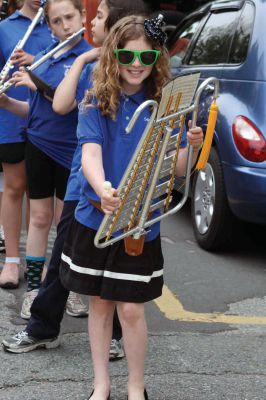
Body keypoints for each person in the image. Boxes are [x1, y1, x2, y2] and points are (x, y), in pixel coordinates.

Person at [59, 14, 204, 400]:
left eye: (145, 56)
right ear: (113, 55)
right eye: (126, 55)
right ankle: (101, 384)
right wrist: (101, 186)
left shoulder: (165, 100)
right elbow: (89, 152)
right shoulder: (95, 96)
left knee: (132, 310)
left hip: (141, 221)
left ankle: (136, 387)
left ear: (157, 56)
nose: (136, 64)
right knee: (101, 305)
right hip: (96, 214)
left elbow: (177, 169)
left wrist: (189, 144)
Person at [1, 0, 148, 359]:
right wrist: (81, 60)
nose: (88, 21)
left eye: (97, 15)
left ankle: (108, 334)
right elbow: (59, 105)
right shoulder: (86, 63)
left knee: (109, 264)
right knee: (70, 257)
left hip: (114, 189)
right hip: (85, 186)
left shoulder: (128, 73)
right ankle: (44, 326)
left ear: (115, 26)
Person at [0, 0, 92, 319]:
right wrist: (8, 102)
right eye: (57, 20)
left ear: (83, 17)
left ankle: (72, 289)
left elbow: (70, 104)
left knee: (69, 224)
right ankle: (35, 289)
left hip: (75, 151)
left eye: (70, 17)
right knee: (39, 219)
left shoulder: (91, 59)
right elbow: (34, 111)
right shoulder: (43, 58)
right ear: (49, 26)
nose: (65, 25)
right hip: (38, 145)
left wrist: (37, 84)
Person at [0, 0, 53, 289]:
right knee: (14, 187)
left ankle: (37, 259)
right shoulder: (4, 29)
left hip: (45, 121)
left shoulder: (56, 27)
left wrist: (35, 60)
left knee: (39, 193)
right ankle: (10, 260)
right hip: (10, 118)